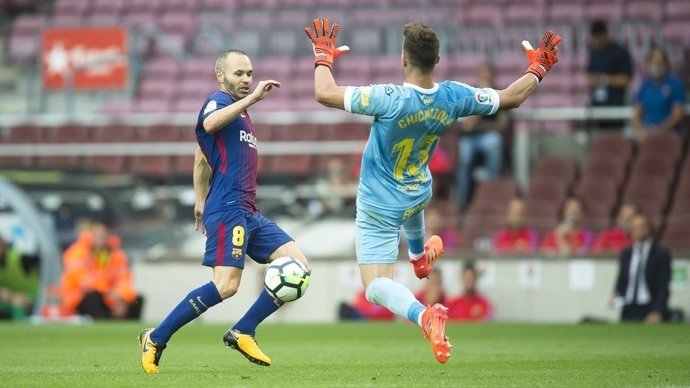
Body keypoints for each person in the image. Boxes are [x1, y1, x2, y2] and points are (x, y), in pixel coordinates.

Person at [306, 18, 560, 363]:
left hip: (379, 207)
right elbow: (511, 98)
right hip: (419, 193)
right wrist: (540, 67)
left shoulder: (387, 98)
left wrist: (323, 56)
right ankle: (418, 257)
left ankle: (423, 315)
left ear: (403, 59)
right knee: (413, 208)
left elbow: (325, 93)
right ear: (437, 60)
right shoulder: (453, 95)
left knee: (376, 287)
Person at [139, 49, 312, 374]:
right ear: (221, 76)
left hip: (248, 210)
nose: (247, 79)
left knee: (299, 267)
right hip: (229, 209)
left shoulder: (239, 114)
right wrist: (252, 100)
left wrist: (199, 200)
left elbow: (200, 157)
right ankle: (155, 337)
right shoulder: (218, 102)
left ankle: (244, 329)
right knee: (226, 285)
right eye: (239, 74)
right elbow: (208, 123)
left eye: (249, 73)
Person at [58, 220, 142, 320]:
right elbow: (84, 281)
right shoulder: (77, 253)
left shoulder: (117, 255)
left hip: (108, 295)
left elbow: (124, 279)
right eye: (97, 233)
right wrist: (110, 294)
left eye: (104, 233)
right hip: (80, 297)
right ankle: (103, 323)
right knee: (93, 296)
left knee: (137, 299)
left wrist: (121, 296)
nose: (101, 237)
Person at [456, 63, 511, 207]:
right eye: (482, 74)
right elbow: (465, 126)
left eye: (488, 74)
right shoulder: (470, 93)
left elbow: (502, 124)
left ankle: (491, 192)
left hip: (489, 135)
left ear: (493, 77)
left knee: (494, 142)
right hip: (470, 138)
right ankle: (463, 201)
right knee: (465, 156)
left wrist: (480, 121)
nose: (484, 77)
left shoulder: (500, 94)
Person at [611, 214, 671, 323]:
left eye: (640, 227)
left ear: (648, 229)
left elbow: (663, 286)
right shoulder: (626, 254)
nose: (637, 231)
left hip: (649, 307)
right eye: (634, 228)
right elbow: (621, 280)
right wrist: (616, 295)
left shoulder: (660, 254)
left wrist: (658, 311)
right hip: (629, 308)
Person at [632, 46, 686, 142]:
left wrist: (660, 131)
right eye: (654, 62)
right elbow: (636, 113)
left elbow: (678, 114)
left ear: (666, 64)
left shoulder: (675, 84)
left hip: (669, 133)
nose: (657, 65)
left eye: (660, 62)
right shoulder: (645, 84)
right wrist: (641, 130)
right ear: (648, 64)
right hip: (647, 132)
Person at [586, 19, 633, 130]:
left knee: (614, 140)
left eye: (599, 38)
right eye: (594, 39)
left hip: (615, 107)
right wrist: (592, 80)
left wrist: (604, 80)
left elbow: (626, 79)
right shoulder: (594, 53)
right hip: (597, 106)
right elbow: (589, 75)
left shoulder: (620, 52)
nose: (597, 42)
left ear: (605, 35)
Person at [0, 236, 39, 320]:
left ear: (3, 244)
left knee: (19, 305)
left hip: (33, 300)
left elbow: (46, 274)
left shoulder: (21, 256)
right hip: (9, 302)